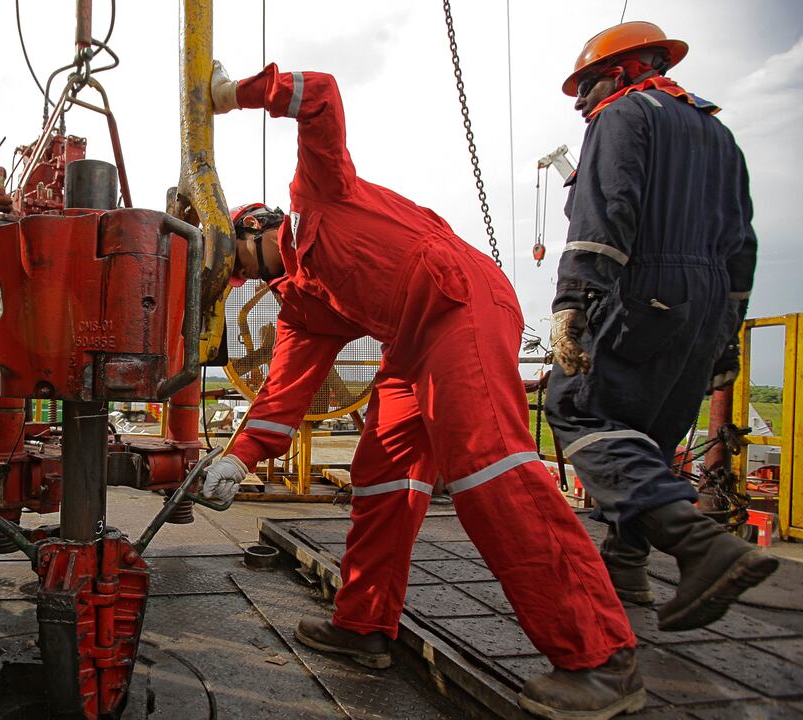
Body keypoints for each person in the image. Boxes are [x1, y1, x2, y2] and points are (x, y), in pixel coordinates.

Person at [202, 61, 642, 719]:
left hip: (460, 303)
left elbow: (319, 92)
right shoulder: (302, 304)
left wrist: (235, 95)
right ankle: (363, 625)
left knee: (487, 468)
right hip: (412, 344)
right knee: (380, 473)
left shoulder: (319, 194)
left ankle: (600, 659)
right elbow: (284, 392)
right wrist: (238, 458)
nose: (244, 276)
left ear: (257, 226)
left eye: (239, 262)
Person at [544, 22, 775, 629]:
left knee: (579, 410)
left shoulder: (622, 117)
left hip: (642, 289)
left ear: (623, 71)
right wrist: (725, 337)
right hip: (707, 303)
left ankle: (703, 548)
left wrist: (573, 298)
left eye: (587, 85)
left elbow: (605, 209)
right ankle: (626, 568)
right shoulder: (719, 135)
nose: (581, 102)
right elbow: (741, 244)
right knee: (646, 436)